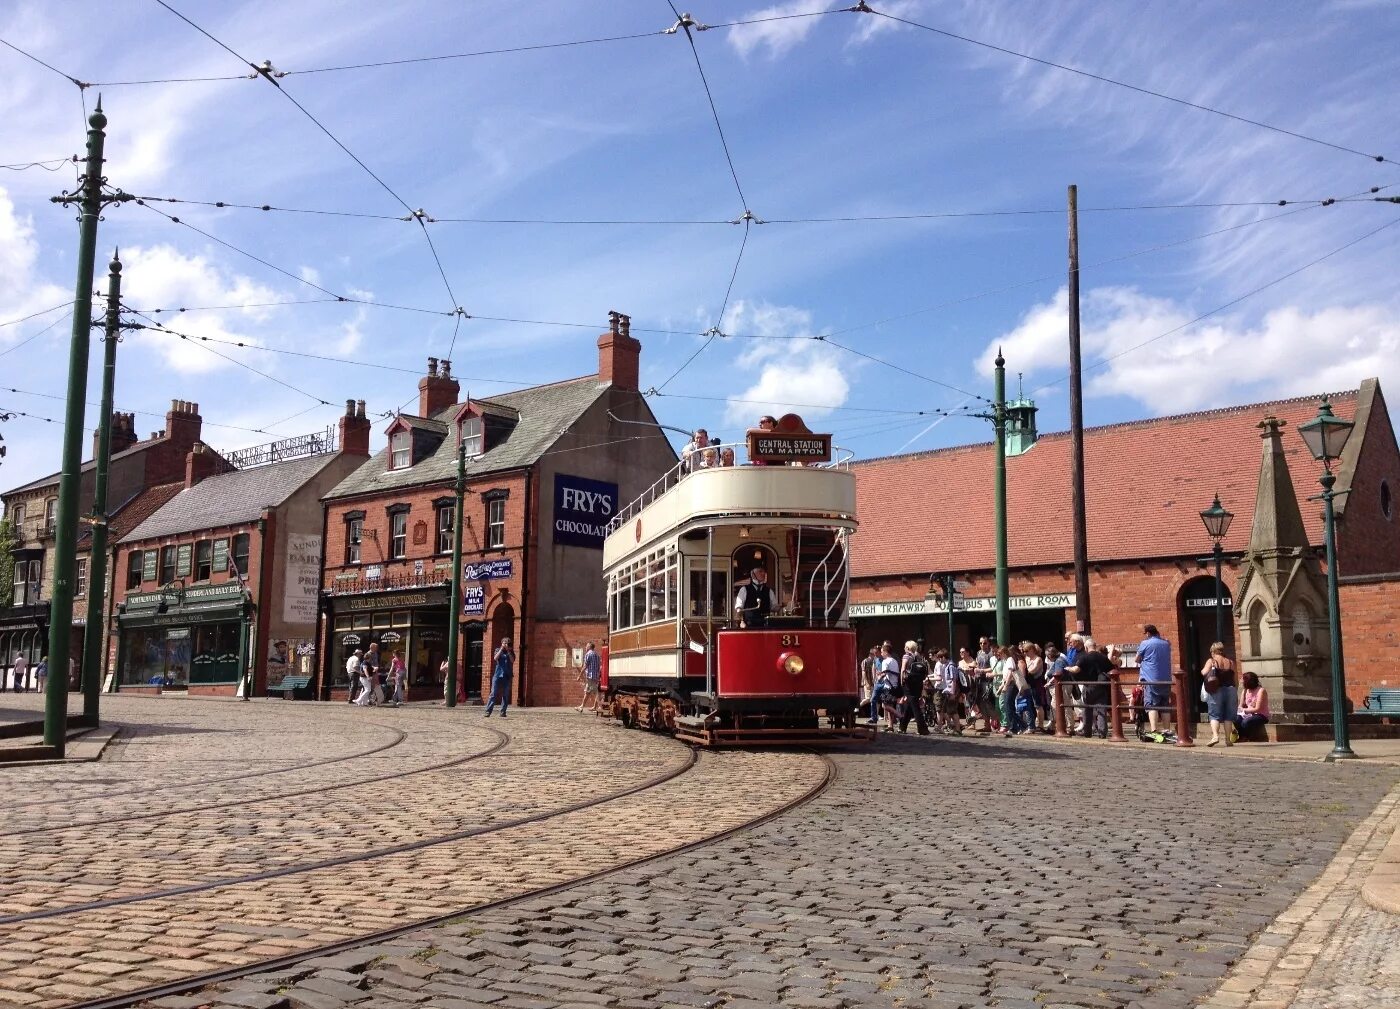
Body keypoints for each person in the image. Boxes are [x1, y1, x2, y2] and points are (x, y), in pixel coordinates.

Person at [1137, 624, 1173, 734]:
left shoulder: (1145, 643)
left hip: (1151, 679)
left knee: (1152, 705)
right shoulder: (1166, 643)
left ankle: (1154, 730)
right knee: (1165, 705)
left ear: (1148, 633)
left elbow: (1137, 659)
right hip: (1166, 679)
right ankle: (1167, 729)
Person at [1200, 642, 1238, 746]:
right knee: (1228, 716)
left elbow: (1203, 672)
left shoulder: (1212, 661)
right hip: (1231, 689)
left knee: (1214, 714)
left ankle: (1215, 736)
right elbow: (1235, 678)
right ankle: (1228, 740)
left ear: (1213, 651)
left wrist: (1210, 668)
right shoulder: (1230, 662)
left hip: (1217, 690)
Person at [1077, 638, 1115, 738]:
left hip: (1088, 686)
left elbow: (1076, 669)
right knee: (1102, 709)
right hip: (1101, 685)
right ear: (1095, 646)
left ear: (1086, 647)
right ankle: (1102, 733)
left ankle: (1087, 732)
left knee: (1087, 709)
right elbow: (1112, 670)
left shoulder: (1084, 657)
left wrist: (1068, 669)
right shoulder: (1103, 657)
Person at [896, 641, 930, 735]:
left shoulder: (906, 656)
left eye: (905, 647)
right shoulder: (919, 657)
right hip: (918, 684)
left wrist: (901, 682)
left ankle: (923, 728)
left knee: (915, 707)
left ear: (907, 648)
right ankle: (902, 727)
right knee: (910, 705)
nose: (904, 648)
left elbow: (903, 669)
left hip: (909, 683)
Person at [1235, 671, 1270, 740]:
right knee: (1235, 718)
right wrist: (1240, 710)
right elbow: (1240, 706)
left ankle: (1246, 736)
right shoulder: (1245, 691)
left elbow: (1258, 709)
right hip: (1247, 714)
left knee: (1246, 722)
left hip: (1261, 715)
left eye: (1243, 681)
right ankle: (1242, 736)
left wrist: (1244, 710)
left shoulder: (1261, 691)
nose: (1241, 682)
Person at [484, 637, 515, 717]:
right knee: (493, 693)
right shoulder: (498, 650)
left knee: (505, 694)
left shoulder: (511, 651)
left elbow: (512, 660)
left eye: (507, 643)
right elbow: (495, 658)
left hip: (507, 675)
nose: (506, 645)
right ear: (501, 643)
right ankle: (488, 711)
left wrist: (508, 651)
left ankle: (503, 711)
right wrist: (501, 649)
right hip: (497, 674)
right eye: (504, 643)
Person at [876, 642, 901, 732]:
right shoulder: (894, 661)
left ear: (886, 652)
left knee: (885, 706)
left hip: (888, 686)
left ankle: (900, 715)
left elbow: (884, 674)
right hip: (894, 686)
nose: (881, 654)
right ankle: (890, 726)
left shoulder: (885, 661)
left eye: (882, 652)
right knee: (891, 706)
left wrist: (879, 677)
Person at [577, 641, 602, 712]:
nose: (585, 647)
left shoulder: (588, 654)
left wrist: (579, 675)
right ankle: (581, 706)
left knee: (595, 692)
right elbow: (598, 666)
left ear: (589, 647)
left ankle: (599, 707)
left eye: (586, 646)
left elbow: (585, 666)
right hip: (595, 676)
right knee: (587, 691)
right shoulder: (596, 655)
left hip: (590, 676)